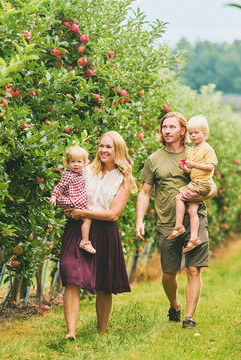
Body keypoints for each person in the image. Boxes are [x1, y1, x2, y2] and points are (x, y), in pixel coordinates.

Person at [135, 112, 216, 330]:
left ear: (183, 131)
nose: (167, 130)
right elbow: (144, 192)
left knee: (193, 269)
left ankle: (189, 317)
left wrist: (202, 196)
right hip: (167, 222)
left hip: (195, 218)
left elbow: (212, 185)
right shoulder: (154, 159)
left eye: (172, 127)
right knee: (169, 273)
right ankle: (175, 305)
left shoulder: (196, 151)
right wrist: (139, 220)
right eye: (164, 127)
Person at [60, 131, 136, 340]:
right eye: (101, 146)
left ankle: (101, 331)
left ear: (118, 150)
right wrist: (65, 203)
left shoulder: (124, 178)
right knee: (70, 273)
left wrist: (85, 213)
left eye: (108, 147)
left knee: (104, 283)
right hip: (77, 227)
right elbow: (68, 189)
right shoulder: (86, 170)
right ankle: (71, 331)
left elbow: (113, 214)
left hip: (104, 230)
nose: (103, 150)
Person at [167, 115, 218, 253]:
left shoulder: (207, 149)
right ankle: (194, 238)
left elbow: (210, 168)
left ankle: (178, 226)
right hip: (196, 181)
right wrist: (185, 168)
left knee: (179, 197)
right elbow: (191, 172)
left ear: (205, 134)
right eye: (191, 134)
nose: (193, 136)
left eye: (197, 133)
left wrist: (195, 165)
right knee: (192, 210)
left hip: (203, 183)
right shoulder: (190, 150)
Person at [50, 145, 95, 254]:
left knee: (87, 218)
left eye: (79, 162)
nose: (76, 164)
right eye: (72, 161)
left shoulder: (82, 173)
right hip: (73, 201)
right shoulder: (68, 175)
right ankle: (85, 241)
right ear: (67, 163)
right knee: (87, 218)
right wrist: (54, 196)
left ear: (84, 163)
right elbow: (60, 186)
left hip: (77, 200)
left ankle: (84, 240)